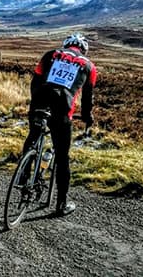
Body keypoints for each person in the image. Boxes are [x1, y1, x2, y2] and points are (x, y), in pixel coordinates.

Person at [23, 32, 97, 216]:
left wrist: (35, 106)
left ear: (66, 45)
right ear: (83, 50)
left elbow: (35, 81)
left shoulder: (50, 54)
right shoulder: (89, 66)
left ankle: (23, 178)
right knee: (62, 157)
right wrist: (87, 117)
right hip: (63, 110)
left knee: (33, 137)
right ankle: (61, 205)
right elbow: (88, 97)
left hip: (40, 102)